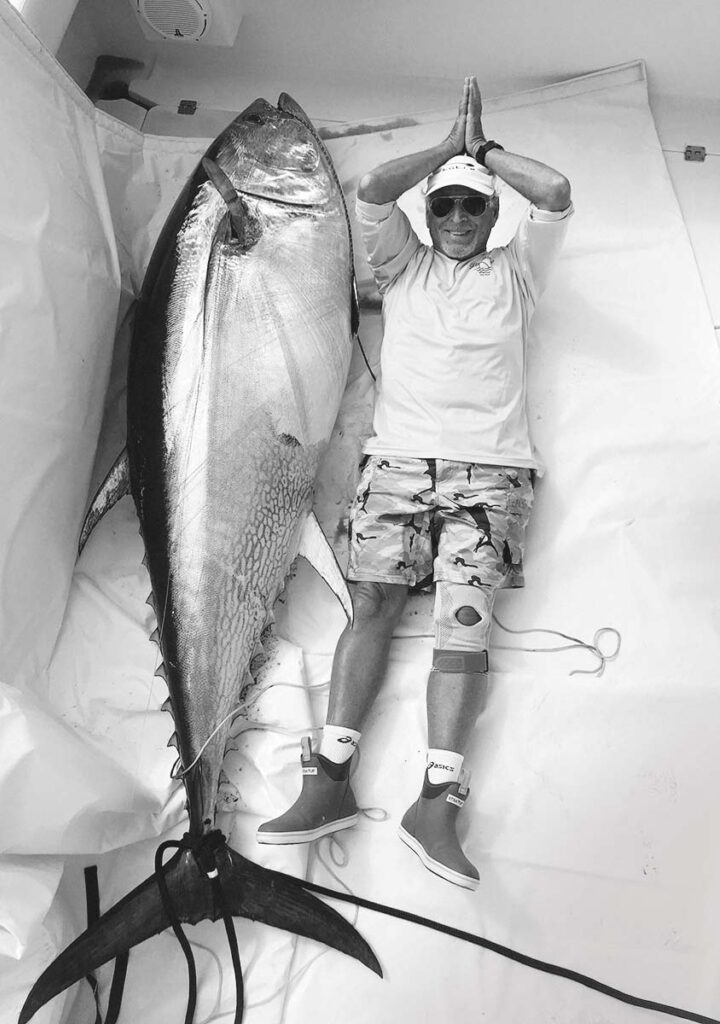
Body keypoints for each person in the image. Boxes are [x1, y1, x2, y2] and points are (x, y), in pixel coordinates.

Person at [257, 76, 573, 890]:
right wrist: (443, 153)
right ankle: (327, 777)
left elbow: (558, 191)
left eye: (474, 205)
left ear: (494, 214)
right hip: (397, 465)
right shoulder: (402, 267)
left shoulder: (519, 272)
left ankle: (436, 801)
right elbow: (371, 188)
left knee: (464, 626)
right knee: (373, 607)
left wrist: (484, 154)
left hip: (492, 474)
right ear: (427, 219)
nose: (461, 218)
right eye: (447, 206)